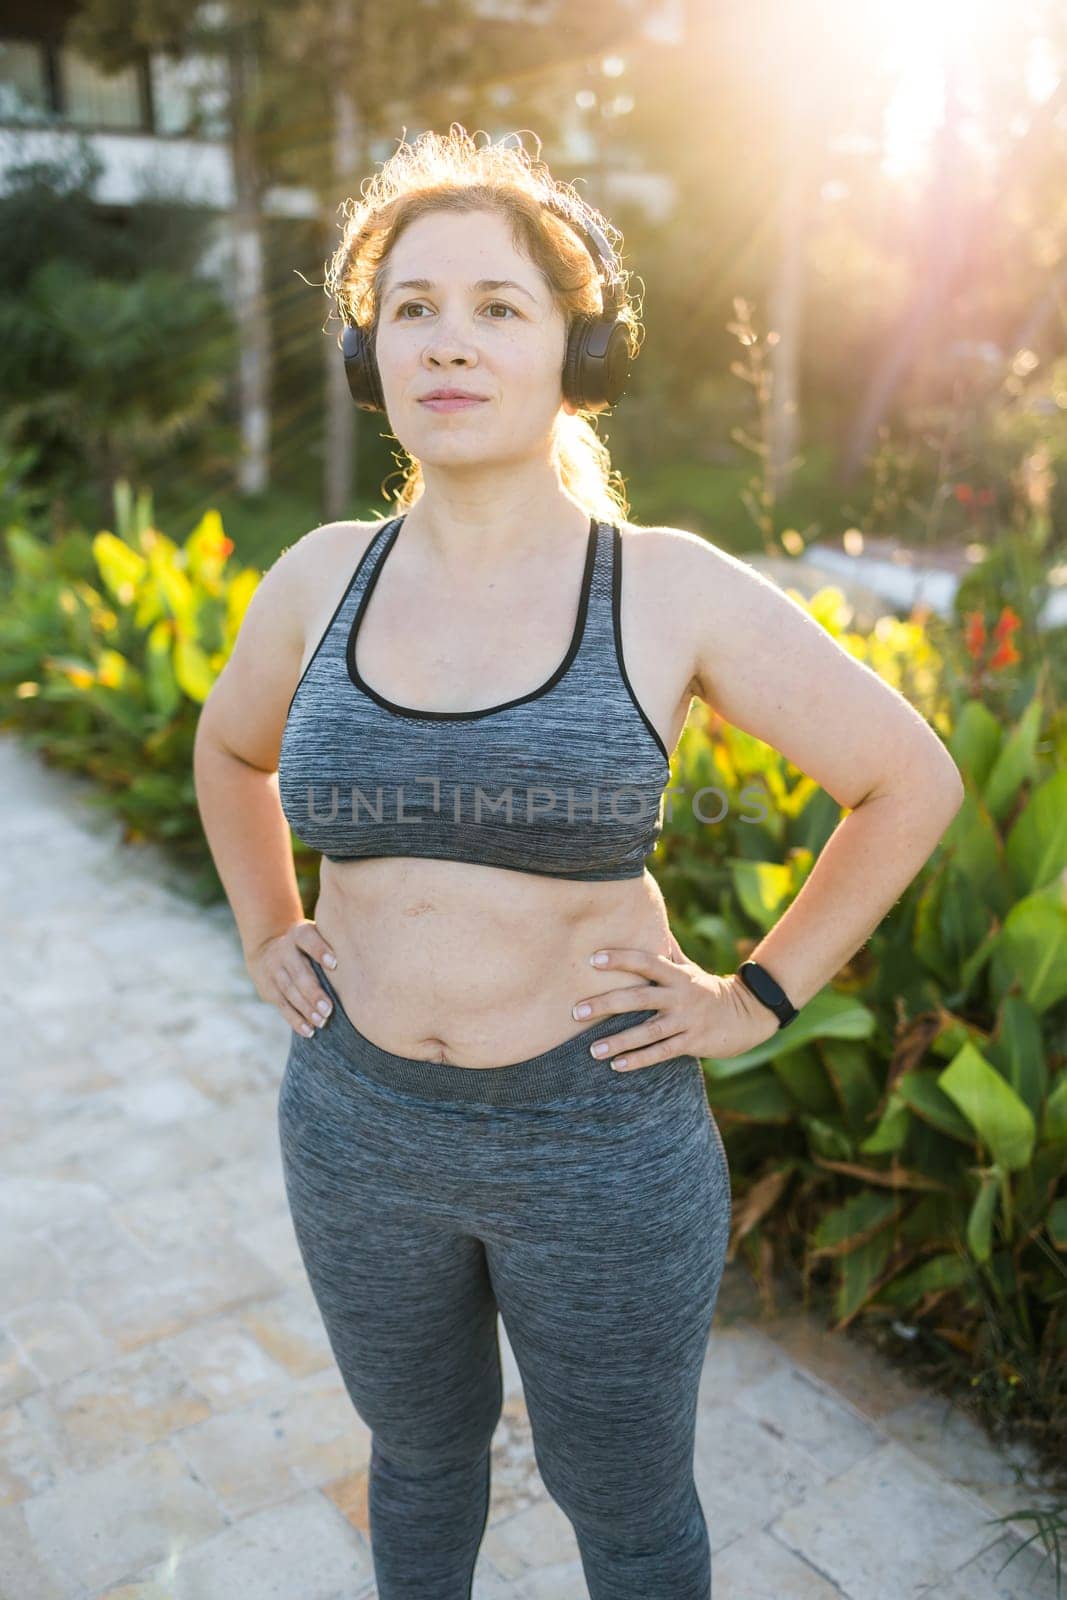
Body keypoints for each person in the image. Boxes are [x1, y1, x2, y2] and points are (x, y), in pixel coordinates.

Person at [193, 125, 964, 1599]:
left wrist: (762, 995)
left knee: (622, 1502)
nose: (448, 342)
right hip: (357, 1127)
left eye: (499, 305)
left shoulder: (664, 587)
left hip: (597, 1149)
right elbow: (230, 756)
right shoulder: (316, 581)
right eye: (411, 306)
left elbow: (906, 779)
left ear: (576, 345)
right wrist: (264, 925)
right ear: (372, 353)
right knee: (416, 1464)